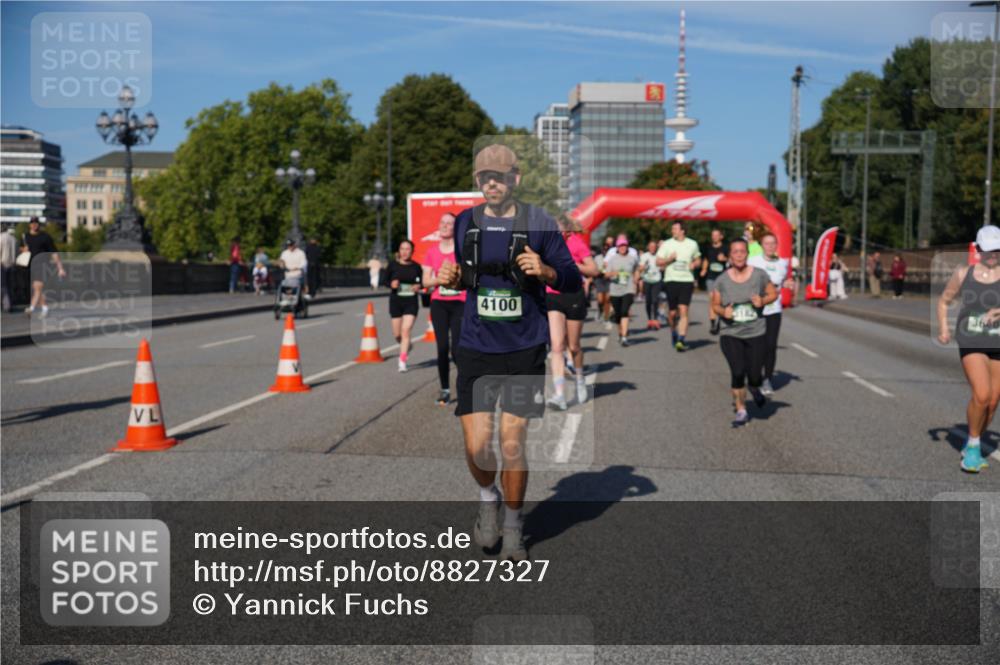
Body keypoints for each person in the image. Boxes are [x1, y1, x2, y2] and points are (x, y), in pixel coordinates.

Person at [435, 143, 580, 561]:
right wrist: (454, 277)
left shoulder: (539, 223)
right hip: (477, 346)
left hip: (524, 348)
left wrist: (547, 270)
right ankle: (488, 498)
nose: (492, 183)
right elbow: (468, 277)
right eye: (485, 177)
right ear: (478, 181)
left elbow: (572, 279)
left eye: (499, 176)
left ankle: (514, 526)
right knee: (477, 446)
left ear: (515, 179)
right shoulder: (466, 222)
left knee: (512, 442)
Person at [937, 225, 1000, 473]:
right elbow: (944, 301)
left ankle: (972, 440)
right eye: (989, 250)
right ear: (978, 249)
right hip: (971, 340)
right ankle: (973, 447)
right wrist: (944, 329)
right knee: (982, 394)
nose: (993, 255)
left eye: (997, 250)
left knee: (992, 402)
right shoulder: (964, 273)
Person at [711, 238, 778, 426]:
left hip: (756, 332)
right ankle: (741, 410)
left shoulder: (759, 275)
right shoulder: (722, 280)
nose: (739, 255)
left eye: (742, 251)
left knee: (755, 376)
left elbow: (773, 294)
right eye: (735, 252)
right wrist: (723, 311)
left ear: (747, 254)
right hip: (731, 333)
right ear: (730, 256)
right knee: (738, 371)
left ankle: (754, 387)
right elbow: (715, 305)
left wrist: (762, 301)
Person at [546, 215, 599, 409]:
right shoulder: (547, 245)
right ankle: (559, 395)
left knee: (574, 346)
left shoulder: (577, 244)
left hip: (574, 296)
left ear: (567, 232)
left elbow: (594, 270)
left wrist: (574, 265)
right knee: (557, 346)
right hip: (553, 296)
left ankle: (579, 379)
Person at [423, 213, 466, 404]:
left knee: (457, 349)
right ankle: (445, 390)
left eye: (449, 223)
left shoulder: (462, 251)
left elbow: (469, 277)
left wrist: (456, 277)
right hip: (439, 303)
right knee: (442, 348)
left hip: (460, 303)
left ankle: (464, 386)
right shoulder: (432, 252)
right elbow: (426, 282)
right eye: (442, 222)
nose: (445, 225)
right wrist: (440, 279)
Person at [748, 232, 792, 396]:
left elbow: (783, 282)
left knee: (771, 346)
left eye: (773, 243)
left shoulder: (782, 263)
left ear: (776, 246)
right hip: (755, 309)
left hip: (774, 309)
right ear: (761, 245)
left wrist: (787, 284)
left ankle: (767, 379)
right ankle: (754, 374)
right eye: (767, 243)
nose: (770, 246)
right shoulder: (753, 261)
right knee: (755, 345)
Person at [657, 220, 701, 351]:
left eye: (675, 229)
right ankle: (673, 332)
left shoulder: (692, 244)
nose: (672, 231)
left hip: (687, 280)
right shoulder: (667, 244)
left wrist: (695, 264)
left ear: (682, 231)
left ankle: (681, 339)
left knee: (683, 309)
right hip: (671, 280)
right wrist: (669, 259)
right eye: (672, 229)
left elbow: (698, 259)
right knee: (672, 313)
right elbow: (658, 261)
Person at [385, 239, 422, 373]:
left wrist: (418, 286)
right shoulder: (392, 265)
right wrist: (391, 284)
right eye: (402, 249)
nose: (405, 252)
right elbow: (385, 281)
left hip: (411, 302)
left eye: (407, 249)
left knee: (406, 331)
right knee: (397, 334)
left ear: (412, 251)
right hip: (396, 301)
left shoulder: (416, 267)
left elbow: (421, 282)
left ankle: (402, 361)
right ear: (399, 251)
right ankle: (406, 345)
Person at [22, 217, 65, 317]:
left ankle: (31, 308)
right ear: (29, 225)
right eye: (32, 223)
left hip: (43, 265)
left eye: (36, 223)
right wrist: (23, 249)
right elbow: (20, 249)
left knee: (37, 286)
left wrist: (60, 268)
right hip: (29, 265)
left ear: (39, 224)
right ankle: (45, 308)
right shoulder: (25, 237)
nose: (34, 225)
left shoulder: (45, 237)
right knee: (37, 289)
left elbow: (54, 253)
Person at [605, 234, 640, 346]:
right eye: (620, 246)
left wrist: (636, 278)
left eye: (624, 245)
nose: (623, 248)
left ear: (627, 246)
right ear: (617, 247)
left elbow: (637, 269)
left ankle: (624, 336)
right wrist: (613, 273)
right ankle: (621, 333)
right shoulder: (612, 259)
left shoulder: (632, 258)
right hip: (615, 290)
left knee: (625, 311)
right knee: (618, 314)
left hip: (628, 289)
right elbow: (606, 274)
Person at [700, 227, 728, 335]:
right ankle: (713, 324)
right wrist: (704, 269)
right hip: (711, 277)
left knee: (720, 301)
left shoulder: (726, 248)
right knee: (712, 299)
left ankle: (719, 321)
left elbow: (732, 260)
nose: (714, 237)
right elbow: (706, 259)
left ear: (721, 236)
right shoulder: (708, 248)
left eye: (716, 235)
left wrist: (724, 259)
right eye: (713, 235)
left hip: (723, 278)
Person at [639, 240, 663, 330]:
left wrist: (663, 267)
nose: (652, 248)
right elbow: (640, 268)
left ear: (656, 248)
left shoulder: (660, 256)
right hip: (647, 280)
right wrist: (644, 266)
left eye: (654, 247)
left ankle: (655, 320)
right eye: (651, 246)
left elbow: (663, 267)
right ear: (648, 247)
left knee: (655, 300)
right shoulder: (644, 256)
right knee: (648, 301)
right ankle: (649, 320)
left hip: (657, 280)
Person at [592, 236, 614, 324]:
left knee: (607, 299)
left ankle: (606, 317)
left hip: (609, 279)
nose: (605, 251)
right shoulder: (597, 258)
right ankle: (599, 310)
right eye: (604, 249)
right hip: (599, 279)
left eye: (607, 250)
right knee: (601, 299)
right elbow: (594, 268)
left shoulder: (612, 258)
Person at [1, 227, 17, 312]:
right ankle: (9, 304)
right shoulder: (14, 239)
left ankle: (6, 305)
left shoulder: (1, 237)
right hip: (12, 264)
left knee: (3, 285)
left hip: (2, 264)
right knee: (9, 285)